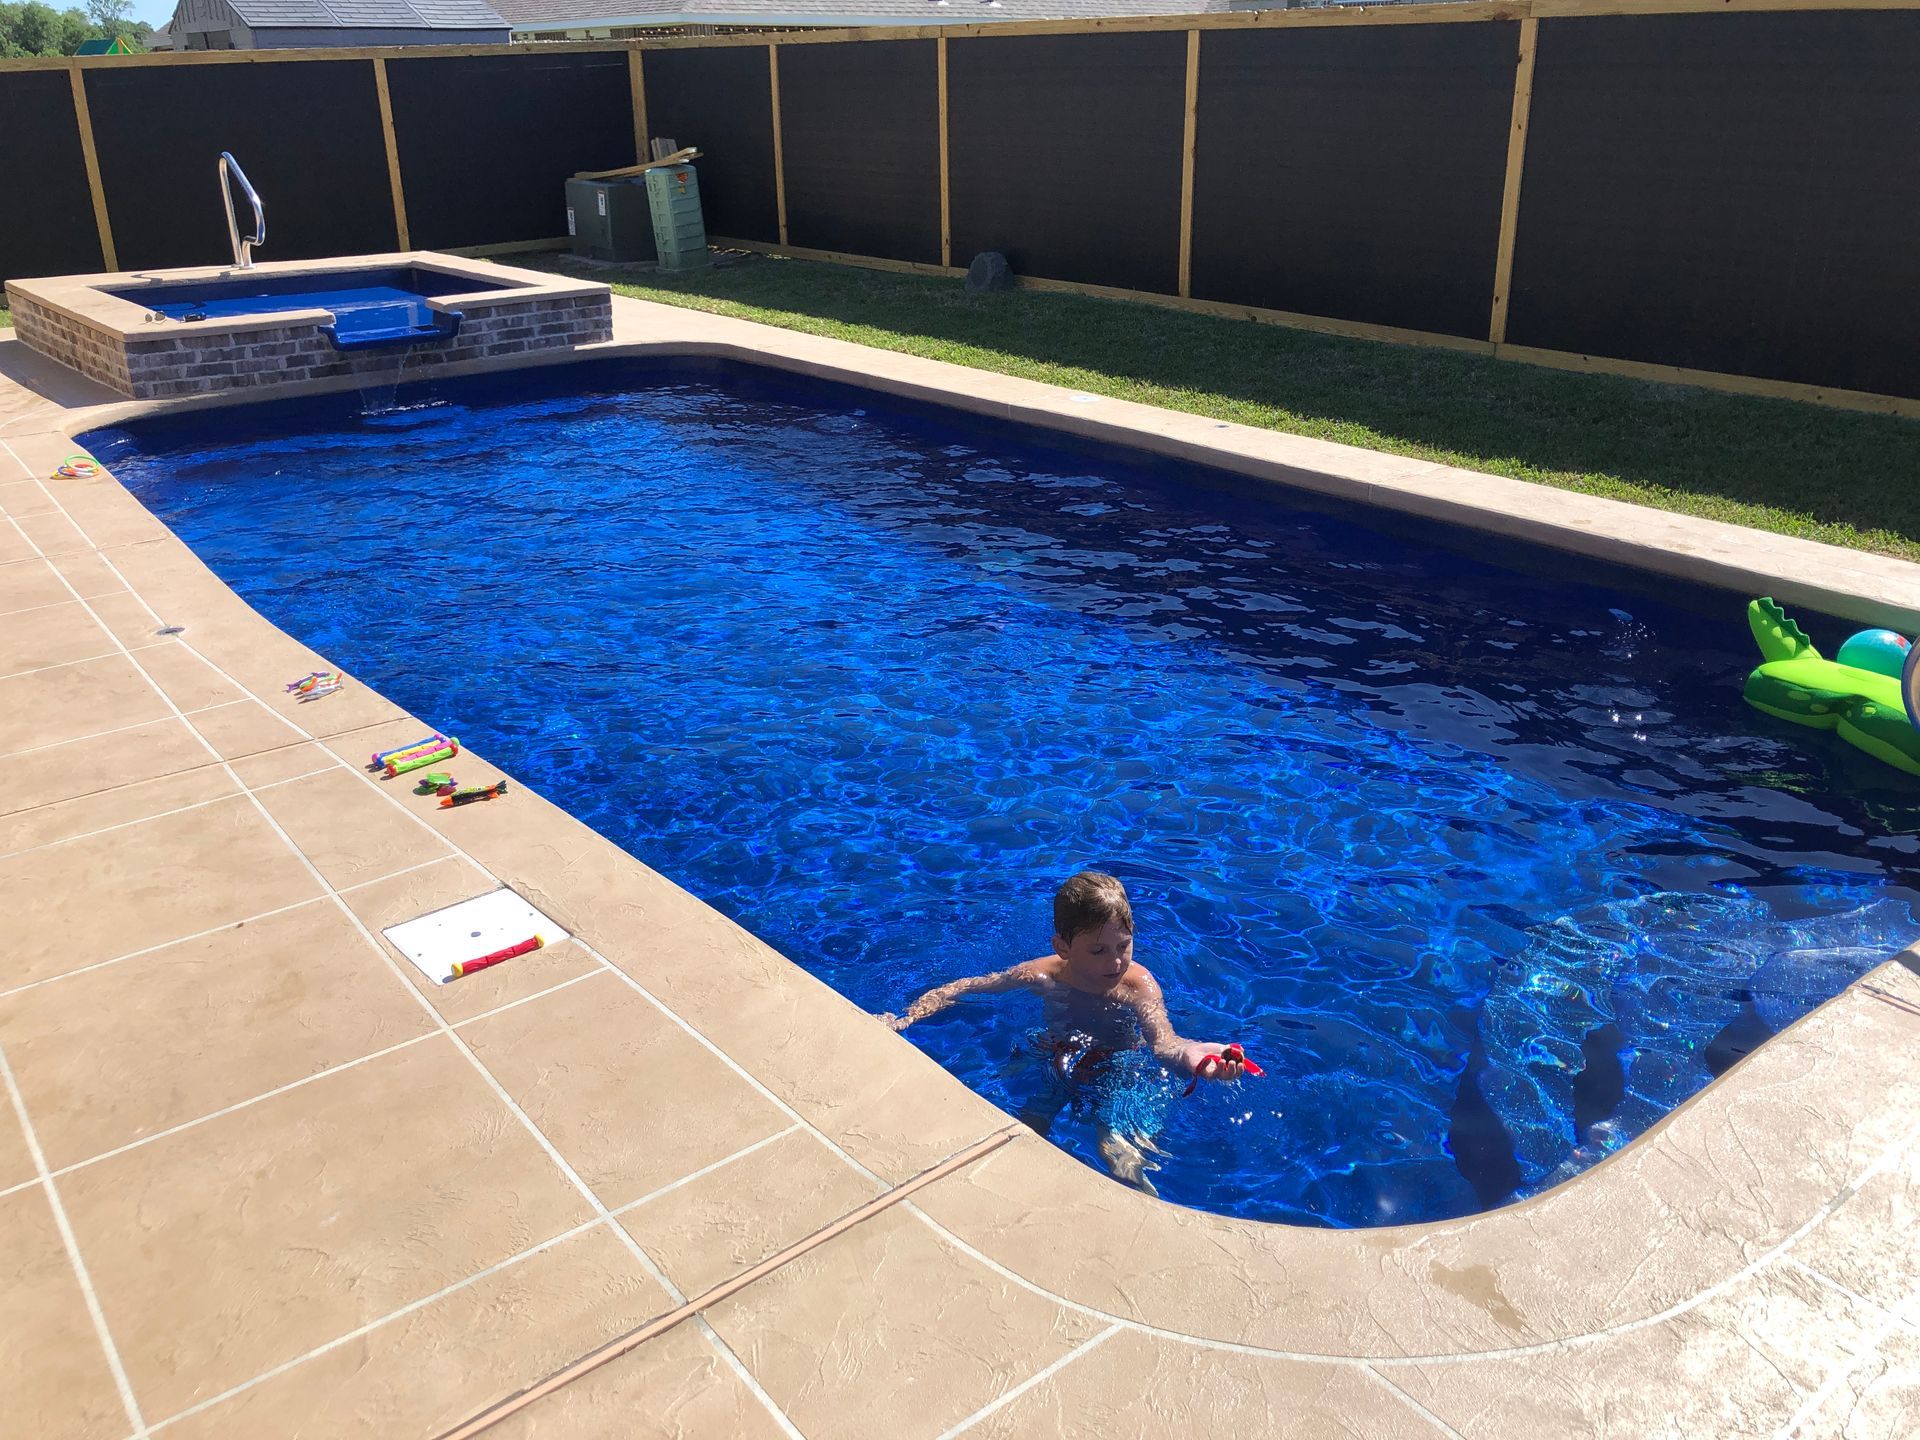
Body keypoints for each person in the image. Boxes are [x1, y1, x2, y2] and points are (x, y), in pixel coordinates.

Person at [879, 871, 1246, 1193]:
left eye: (1124, 945)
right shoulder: (1040, 975)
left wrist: (1194, 1056)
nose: (1116, 960)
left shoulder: (1139, 986)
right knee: (1024, 1131)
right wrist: (906, 1018)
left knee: (1116, 1149)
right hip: (1055, 1055)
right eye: (1098, 950)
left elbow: (1164, 1044)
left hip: (1118, 1068)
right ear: (1063, 948)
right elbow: (963, 987)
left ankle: (1141, 1203)